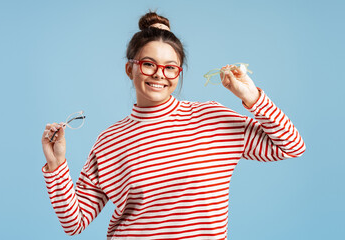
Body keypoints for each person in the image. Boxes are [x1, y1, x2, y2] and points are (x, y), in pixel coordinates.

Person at [41, 11, 306, 240]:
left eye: (170, 67)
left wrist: (252, 97)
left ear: (178, 73)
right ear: (129, 69)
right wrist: (56, 165)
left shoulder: (212, 117)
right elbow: (74, 223)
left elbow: (292, 147)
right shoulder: (110, 141)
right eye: (148, 64)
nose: (159, 74)